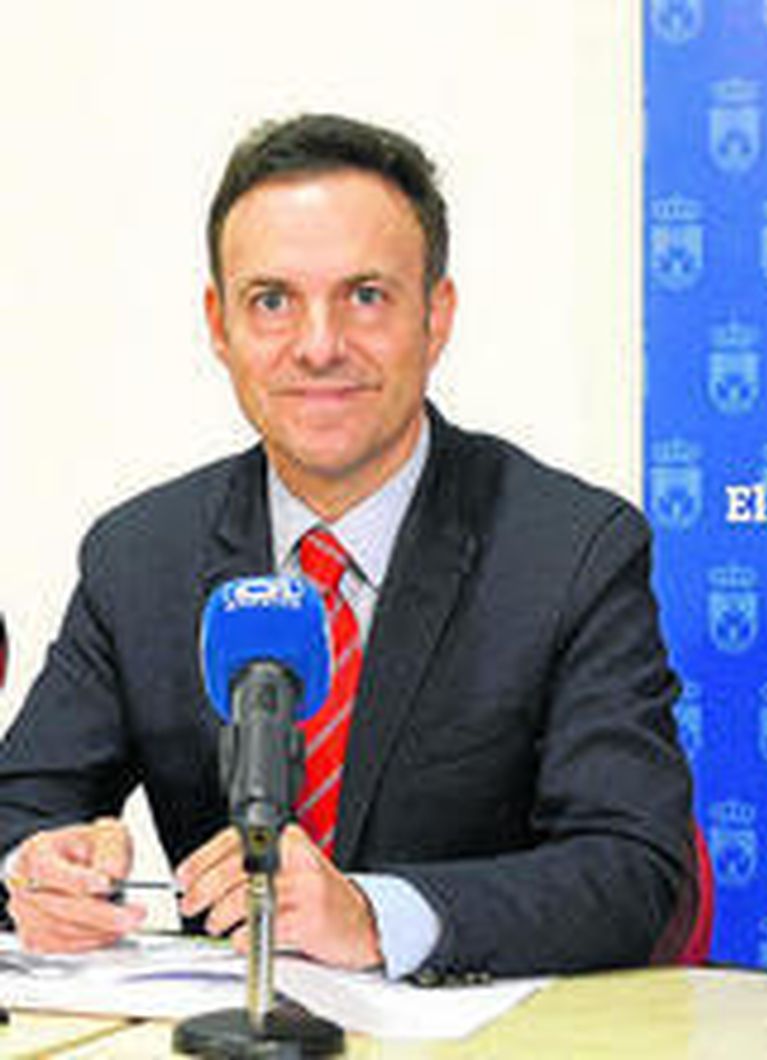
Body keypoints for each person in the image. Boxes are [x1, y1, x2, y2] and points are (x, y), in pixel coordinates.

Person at [0, 114, 697, 981]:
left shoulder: (570, 552)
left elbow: (633, 870)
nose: (320, 346)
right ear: (219, 324)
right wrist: (34, 871)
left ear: (436, 317)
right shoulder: (140, 557)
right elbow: (21, 808)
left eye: (366, 296)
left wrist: (373, 915)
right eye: (272, 302)